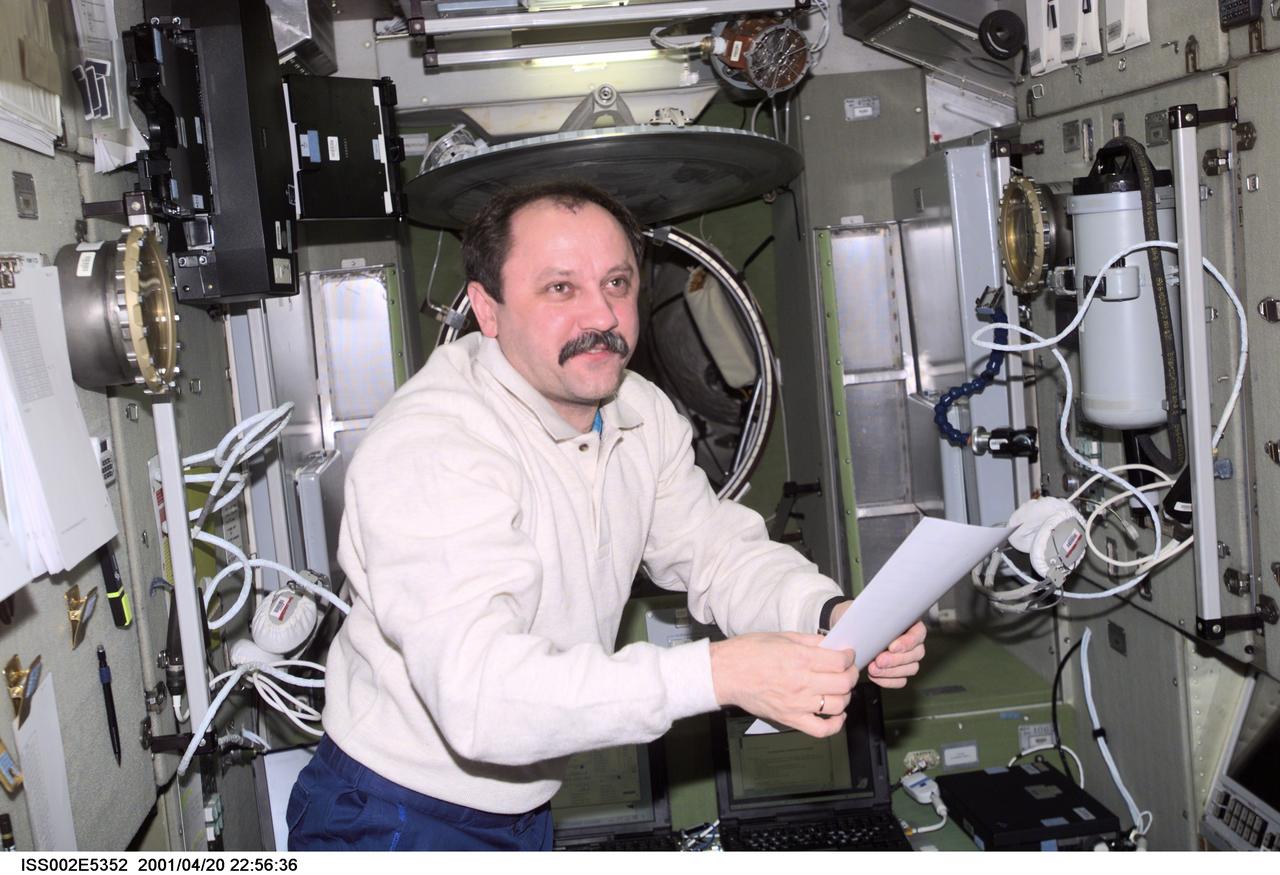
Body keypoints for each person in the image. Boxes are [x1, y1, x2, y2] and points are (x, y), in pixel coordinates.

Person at [287, 181, 926, 851]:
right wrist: (721, 673)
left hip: (525, 809)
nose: (602, 316)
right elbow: (480, 699)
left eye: (617, 283)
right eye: (560, 289)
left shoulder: (638, 411)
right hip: (393, 815)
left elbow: (714, 549)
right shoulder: (436, 444)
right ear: (488, 308)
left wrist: (824, 614)